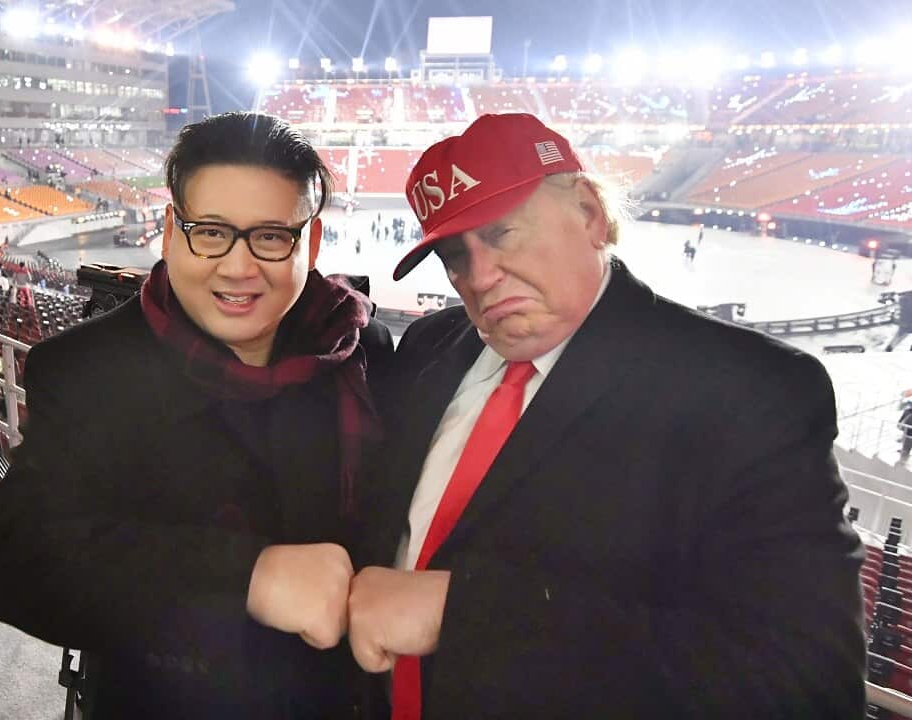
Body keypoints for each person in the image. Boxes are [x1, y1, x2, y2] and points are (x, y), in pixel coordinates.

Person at [347, 114, 865, 719]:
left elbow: (806, 681)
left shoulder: (748, 393)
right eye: (454, 256)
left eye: (503, 233)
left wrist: (462, 614)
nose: (478, 277)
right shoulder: (431, 347)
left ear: (590, 213)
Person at [0, 112, 394, 719]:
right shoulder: (87, 368)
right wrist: (249, 577)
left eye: (272, 236)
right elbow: (18, 561)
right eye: (210, 232)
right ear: (171, 231)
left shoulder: (365, 353)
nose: (239, 267)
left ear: (314, 242)